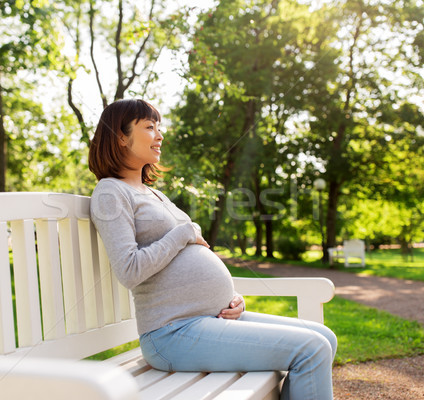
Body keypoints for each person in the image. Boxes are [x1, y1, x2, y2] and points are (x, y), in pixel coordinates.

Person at [88, 99, 337, 400]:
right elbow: (129, 270)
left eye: (159, 126)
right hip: (171, 334)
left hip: (209, 320)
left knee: (325, 338)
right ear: (120, 137)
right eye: (149, 127)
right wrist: (182, 234)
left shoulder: (151, 192)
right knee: (312, 350)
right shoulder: (110, 191)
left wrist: (229, 298)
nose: (160, 134)